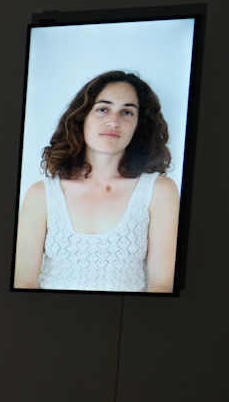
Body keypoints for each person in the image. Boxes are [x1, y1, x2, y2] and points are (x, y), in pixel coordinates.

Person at [13, 70, 179, 293]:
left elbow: (161, 284)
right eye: (103, 109)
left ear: (139, 125)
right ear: (82, 117)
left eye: (127, 112)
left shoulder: (159, 191)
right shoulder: (40, 194)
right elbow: (24, 283)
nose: (113, 122)